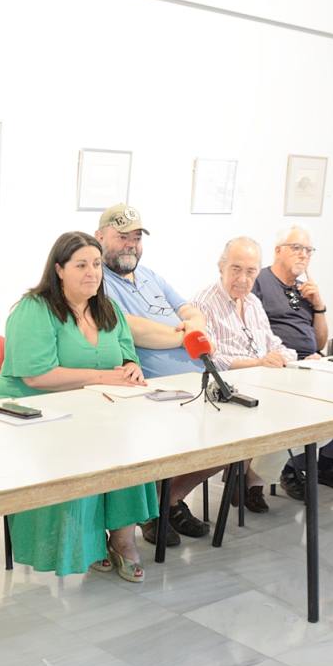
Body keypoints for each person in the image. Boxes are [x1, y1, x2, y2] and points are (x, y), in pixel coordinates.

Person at [0, 231, 157, 582]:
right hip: (30, 412)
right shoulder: (34, 309)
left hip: (91, 410)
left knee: (130, 448)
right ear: (59, 269)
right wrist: (101, 378)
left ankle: (123, 540)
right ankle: (86, 544)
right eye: (81, 265)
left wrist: (131, 367)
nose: (91, 272)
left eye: (96, 264)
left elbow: (126, 353)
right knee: (82, 450)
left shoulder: (107, 309)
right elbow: (37, 376)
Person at [96, 204, 215, 545]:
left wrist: (194, 324)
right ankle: (155, 508)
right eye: (122, 237)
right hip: (154, 390)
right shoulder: (98, 278)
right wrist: (185, 336)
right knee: (186, 437)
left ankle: (169, 500)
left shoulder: (150, 276)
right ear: (100, 236)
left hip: (198, 380)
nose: (130, 245)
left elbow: (191, 308)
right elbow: (132, 330)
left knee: (234, 442)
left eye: (136, 238)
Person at [253, 225, 333, 500]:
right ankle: (287, 468)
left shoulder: (304, 289)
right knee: (305, 397)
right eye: (297, 248)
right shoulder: (260, 281)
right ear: (278, 251)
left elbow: (320, 340)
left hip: (310, 359)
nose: (304, 256)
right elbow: (253, 330)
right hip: (277, 362)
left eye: (309, 251)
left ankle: (325, 464)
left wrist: (320, 306)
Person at [193, 237, 297, 514]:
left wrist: (285, 357)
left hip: (265, 382)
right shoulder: (204, 303)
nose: (243, 278)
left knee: (308, 423)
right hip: (227, 390)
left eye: (251, 271)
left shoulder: (252, 303)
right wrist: (258, 363)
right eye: (236, 269)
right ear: (221, 266)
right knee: (283, 417)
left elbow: (274, 343)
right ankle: (249, 478)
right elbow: (211, 360)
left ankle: (251, 476)